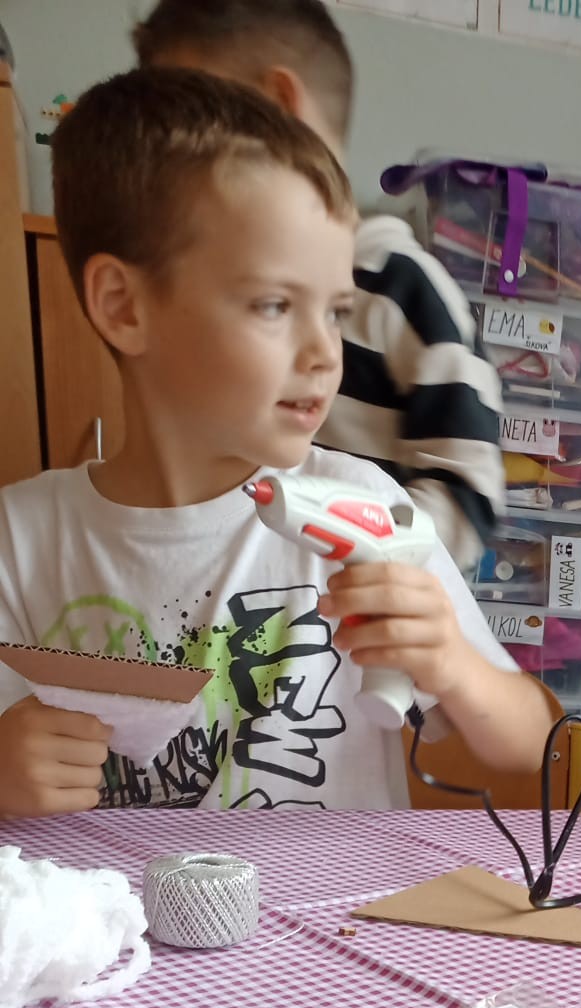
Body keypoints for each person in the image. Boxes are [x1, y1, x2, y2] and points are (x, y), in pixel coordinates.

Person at [0, 68, 548, 818]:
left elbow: (533, 745)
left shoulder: (365, 509)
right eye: (274, 305)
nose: (325, 353)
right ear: (124, 307)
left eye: (336, 311)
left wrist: (453, 664)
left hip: (340, 898)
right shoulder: (19, 541)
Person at [132, 0, 506, 572]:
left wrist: (345, 554)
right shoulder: (203, 293)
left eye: (188, 122)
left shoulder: (402, 285)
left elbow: (467, 493)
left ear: (280, 105)